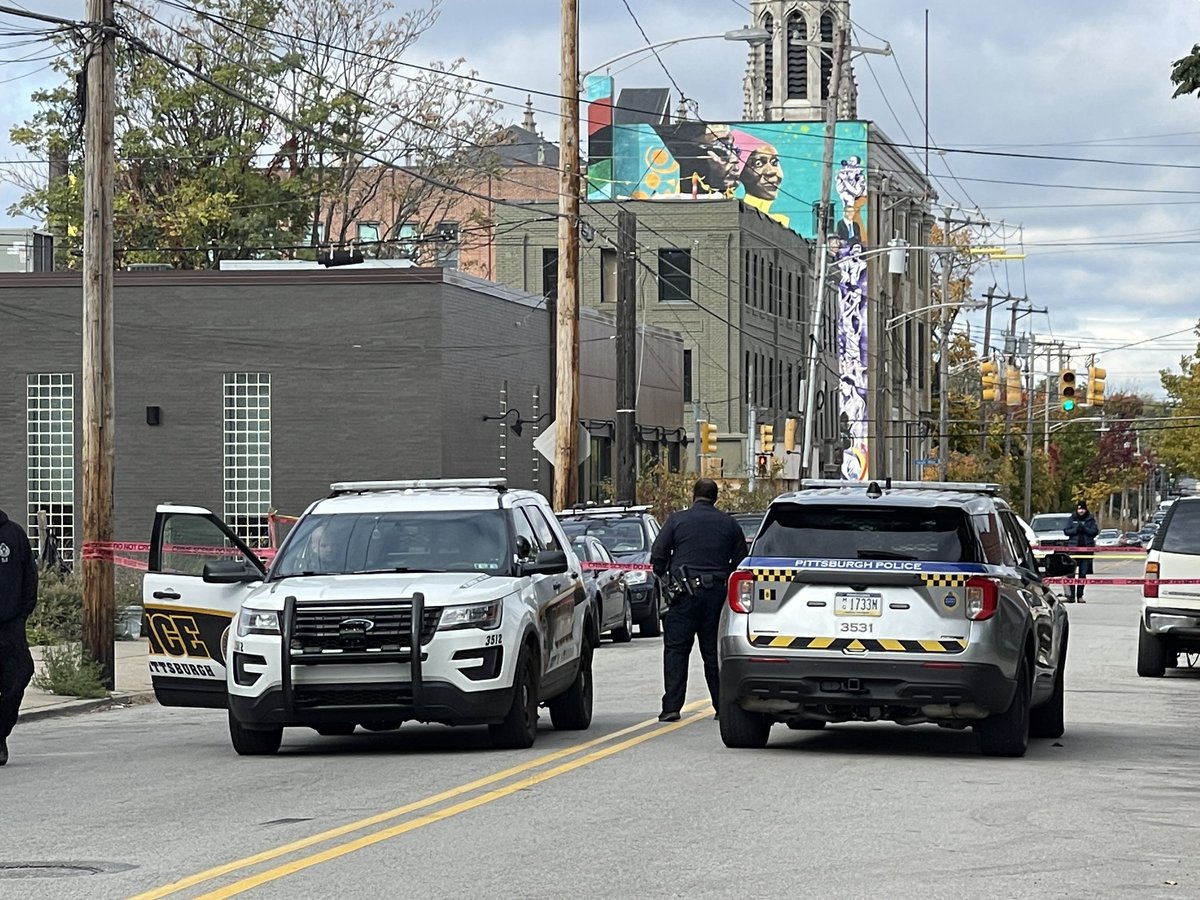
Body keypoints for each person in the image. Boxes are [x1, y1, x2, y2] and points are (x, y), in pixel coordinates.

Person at [650, 479, 748, 722]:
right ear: (715, 498)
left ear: (693, 495)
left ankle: (672, 707)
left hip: (683, 596)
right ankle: (721, 706)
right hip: (716, 596)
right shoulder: (729, 524)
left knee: (676, 651)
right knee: (713, 653)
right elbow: (741, 562)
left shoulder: (676, 521)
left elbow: (657, 556)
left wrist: (668, 579)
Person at [0, 509, 38, 766]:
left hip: (10, 625)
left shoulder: (13, 534)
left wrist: (22, 612)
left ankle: (0, 733)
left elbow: (29, 577)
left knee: (21, 673)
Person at [1063, 501, 1099, 602]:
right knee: (1071, 575)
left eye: (1082, 509)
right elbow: (1066, 531)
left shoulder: (1090, 519)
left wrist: (1084, 529)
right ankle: (1071, 596)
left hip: (1086, 552)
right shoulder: (1072, 518)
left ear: (1086, 509)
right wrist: (1076, 530)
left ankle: (1080, 596)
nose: (1081, 511)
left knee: (1082, 575)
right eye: (1079, 509)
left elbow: (1094, 532)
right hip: (1073, 551)